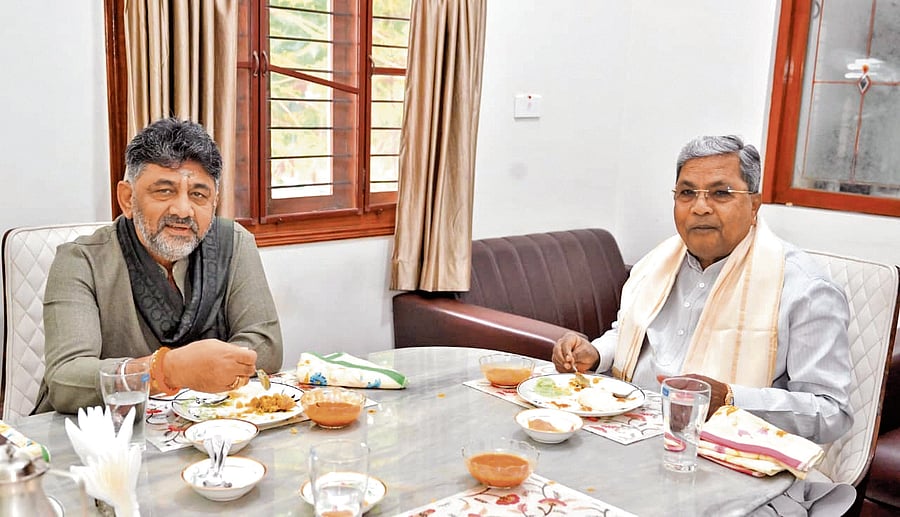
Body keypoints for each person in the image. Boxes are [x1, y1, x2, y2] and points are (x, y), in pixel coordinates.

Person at [552, 135, 853, 444]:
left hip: (730, 456)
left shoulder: (805, 289)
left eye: (720, 193)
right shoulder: (654, 265)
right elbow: (632, 332)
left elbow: (831, 412)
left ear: (754, 205)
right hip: (626, 431)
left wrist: (732, 400)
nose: (699, 207)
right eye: (687, 193)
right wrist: (597, 353)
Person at [35, 117, 283, 414]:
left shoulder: (235, 244)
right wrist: (167, 369)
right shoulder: (80, 261)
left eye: (198, 194)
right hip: (106, 437)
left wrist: (203, 373)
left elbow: (266, 347)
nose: (182, 210)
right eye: (164, 191)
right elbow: (66, 380)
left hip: (211, 425)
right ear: (127, 199)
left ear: (214, 202)